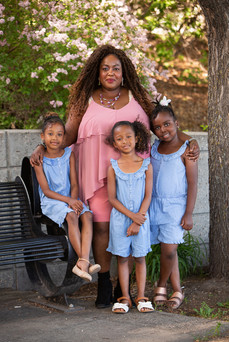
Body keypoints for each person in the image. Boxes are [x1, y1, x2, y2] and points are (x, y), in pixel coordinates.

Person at [30, 44, 199, 308]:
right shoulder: (84, 99)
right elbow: (67, 136)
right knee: (101, 227)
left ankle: (125, 288)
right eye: (105, 68)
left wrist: (191, 141)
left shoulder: (137, 97)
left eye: (116, 68)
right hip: (95, 174)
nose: (111, 73)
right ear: (97, 73)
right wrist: (42, 146)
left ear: (124, 72)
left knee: (129, 229)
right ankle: (104, 286)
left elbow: (164, 128)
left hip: (133, 175)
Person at [34, 113, 101, 282]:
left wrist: (73, 200)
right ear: (42, 136)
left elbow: (74, 183)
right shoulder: (39, 160)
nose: (54, 138)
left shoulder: (69, 155)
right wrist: (69, 202)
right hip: (51, 202)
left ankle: (82, 263)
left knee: (87, 215)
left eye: (59, 134)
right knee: (72, 216)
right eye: (50, 134)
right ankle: (84, 262)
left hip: (70, 198)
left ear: (64, 136)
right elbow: (47, 191)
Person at [149, 98, 198, 310]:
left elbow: (193, 184)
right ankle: (177, 289)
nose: (163, 130)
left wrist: (189, 213)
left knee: (169, 250)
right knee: (167, 247)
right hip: (154, 205)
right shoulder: (154, 148)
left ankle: (161, 285)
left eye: (167, 124)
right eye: (157, 127)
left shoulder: (187, 150)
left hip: (176, 207)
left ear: (176, 123)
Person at [106, 120, 154, 314]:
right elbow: (112, 198)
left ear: (136, 139)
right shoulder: (113, 167)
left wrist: (138, 219)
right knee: (123, 259)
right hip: (120, 220)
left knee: (140, 257)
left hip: (141, 219)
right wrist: (132, 218)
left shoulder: (146, 165)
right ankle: (125, 297)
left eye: (128, 137)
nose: (124, 141)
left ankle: (141, 296)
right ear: (114, 143)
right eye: (119, 138)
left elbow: (149, 195)